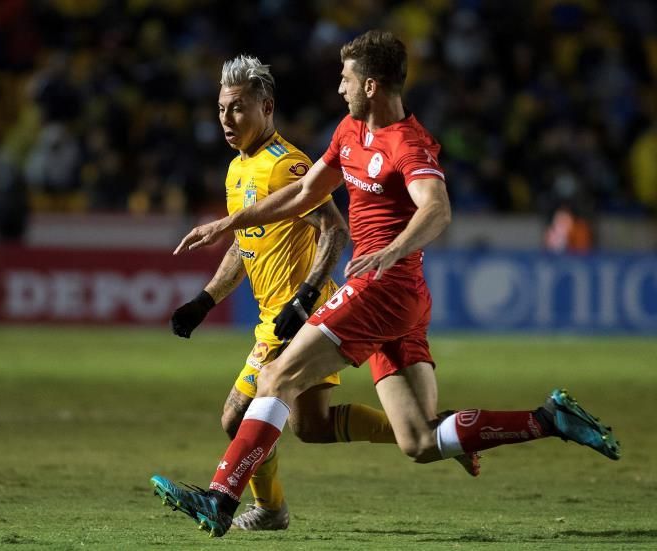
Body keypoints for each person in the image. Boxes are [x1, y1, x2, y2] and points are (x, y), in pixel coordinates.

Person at [152, 31, 620, 537]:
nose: (338, 88)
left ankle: (222, 497)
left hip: (382, 289)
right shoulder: (350, 131)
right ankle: (548, 419)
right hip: (401, 299)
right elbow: (307, 192)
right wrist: (229, 223)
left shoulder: (407, 143)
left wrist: (393, 249)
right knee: (418, 440)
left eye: (346, 78)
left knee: (276, 379)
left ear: (371, 85)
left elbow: (436, 207)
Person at [168, 54, 480, 532]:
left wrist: (305, 295)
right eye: (221, 109)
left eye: (237, 108)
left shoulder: (286, 165)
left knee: (236, 417)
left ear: (266, 107)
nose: (227, 120)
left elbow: (333, 229)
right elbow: (245, 243)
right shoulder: (237, 170)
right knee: (311, 427)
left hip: (296, 314)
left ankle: (268, 510)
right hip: (276, 313)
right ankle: (435, 435)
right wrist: (206, 299)